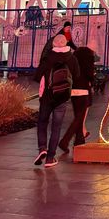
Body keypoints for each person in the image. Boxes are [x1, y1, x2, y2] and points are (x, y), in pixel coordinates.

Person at [33, 33, 79, 168]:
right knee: (56, 127)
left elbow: (37, 76)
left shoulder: (48, 57)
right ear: (66, 44)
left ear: (53, 44)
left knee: (42, 122)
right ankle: (50, 158)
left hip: (47, 97)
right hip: (62, 98)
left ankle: (42, 148)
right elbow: (76, 75)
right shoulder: (71, 58)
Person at [58, 43, 96, 153]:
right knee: (79, 118)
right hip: (83, 91)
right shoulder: (88, 61)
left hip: (74, 91)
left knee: (77, 117)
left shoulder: (73, 61)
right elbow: (90, 75)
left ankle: (79, 140)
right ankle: (65, 141)